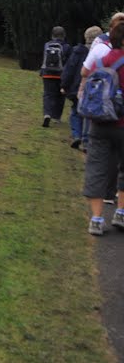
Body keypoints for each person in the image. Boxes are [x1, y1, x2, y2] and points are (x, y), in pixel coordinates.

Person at [82, 20, 124, 236]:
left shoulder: (101, 58)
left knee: (97, 168)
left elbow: (84, 72)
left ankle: (97, 219)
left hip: (99, 122)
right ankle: (120, 212)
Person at [62, 26, 102, 149]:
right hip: (94, 88)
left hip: (76, 86)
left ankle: (76, 135)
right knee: (89, 114)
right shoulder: (102, 52)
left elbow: (70, 68)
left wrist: (64, 84)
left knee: (75, 111)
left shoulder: (78, 51)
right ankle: (86, 140)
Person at [40, 26, 70, 128]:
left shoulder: (46, 45)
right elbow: (68, 62)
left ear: (52, 35)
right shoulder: (66, 47)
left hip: (47, 74)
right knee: (60, 96)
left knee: (48, 95)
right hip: (61, 75)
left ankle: (47, 114)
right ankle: (56, 117)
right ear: (64, 35)